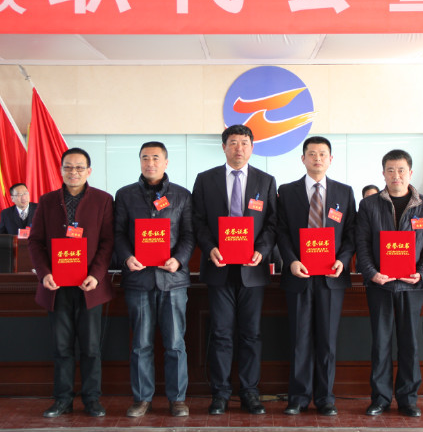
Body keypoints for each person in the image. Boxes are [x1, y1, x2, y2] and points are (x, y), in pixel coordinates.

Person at [191, 124, 277, 415]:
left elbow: (272, 223)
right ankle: (221, 393)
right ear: (223, 147)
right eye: (233, 142)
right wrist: (209, 247)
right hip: (220, 268)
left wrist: (261, 250)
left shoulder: (266, 181)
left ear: (252, 147)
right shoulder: (206, 180)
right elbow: (198, 221)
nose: (238, 148)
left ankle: (250, 392)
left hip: (252, 270)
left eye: (244, 143)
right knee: (221, 333)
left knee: (251, 334)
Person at [28, 147, 114, 418]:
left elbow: (108, 242)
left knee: (91, 348)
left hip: (89, 287)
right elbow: (35, 242)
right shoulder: (47, 201)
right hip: (56, 287)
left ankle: (92, 400)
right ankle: (63, 399)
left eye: (79, 167)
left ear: (89, 171)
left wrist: (96, 275)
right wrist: (44, 274)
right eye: (68, 167)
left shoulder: (103, 200)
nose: (73, 172)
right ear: (61, 170)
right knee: (62, 347)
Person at [114, 142, 195, 418]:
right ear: (139, 161)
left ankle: (178, 399)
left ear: (166, 162)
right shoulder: (125, 195)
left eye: (156, 158)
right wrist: (127, 257)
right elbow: (118, 234)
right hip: (138, 279)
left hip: (172, 280)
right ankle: (142, 398)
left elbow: (189, 235)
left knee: (175, 343)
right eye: (145, 158)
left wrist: (179, 259)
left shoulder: (182, 195)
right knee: (141, 344)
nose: (150, 163)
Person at [276, 136, 356, 417]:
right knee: (300, 339)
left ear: (330, 159)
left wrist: (342, 260)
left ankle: (325, 398)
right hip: (299, 274)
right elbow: (281, 231)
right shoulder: (287, 191)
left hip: (331, 277)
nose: (317, 158)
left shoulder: (344, 192)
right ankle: (298, 397)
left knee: (327, 340)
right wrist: (291, 261)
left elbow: (351, 233)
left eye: (323, 154)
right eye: (312, 154)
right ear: (303, 159)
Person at [355, 149, 423, 418]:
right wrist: (371, 273)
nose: (396, 175)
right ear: (383, 173)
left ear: (410, 173)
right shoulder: (369, 206)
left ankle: (408, 399)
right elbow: (362, 244)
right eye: (390, 170)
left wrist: (421, 273)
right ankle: (380, 398)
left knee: (409, 344)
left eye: (401, 170)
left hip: (411, 286)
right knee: (380, 344)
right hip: (380, 285)